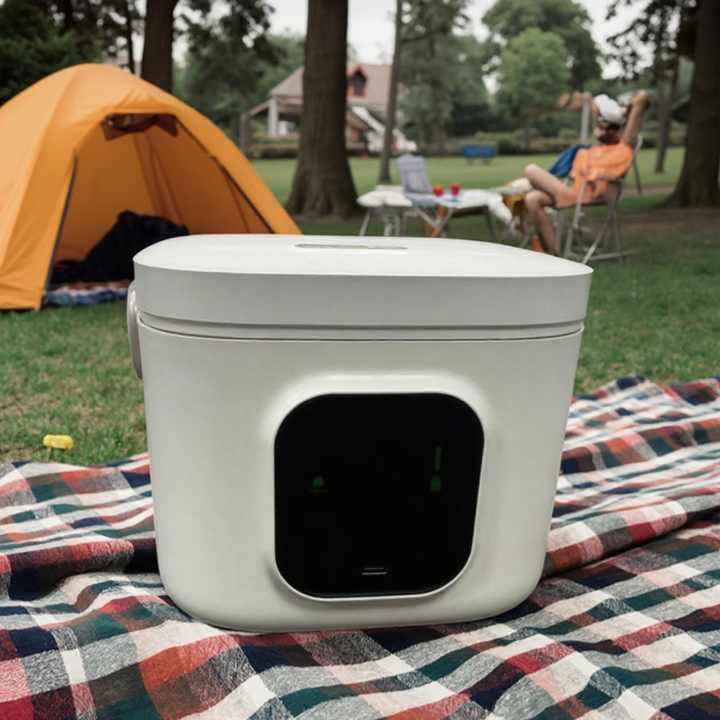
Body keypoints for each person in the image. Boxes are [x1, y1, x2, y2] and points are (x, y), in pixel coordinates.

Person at [523, 90, 651, 254]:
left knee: (531, 169)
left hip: (588, 194)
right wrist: (588, 102)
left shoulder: (622, 147)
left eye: (607, 125)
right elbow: (592, 104)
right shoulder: (592, 150)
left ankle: (550, 250)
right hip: (574, 192)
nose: (600, 127)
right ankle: (554, 255)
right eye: (599, 123)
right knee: (532, 198)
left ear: (617, 130)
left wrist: (623, 112)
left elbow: (642, 99)